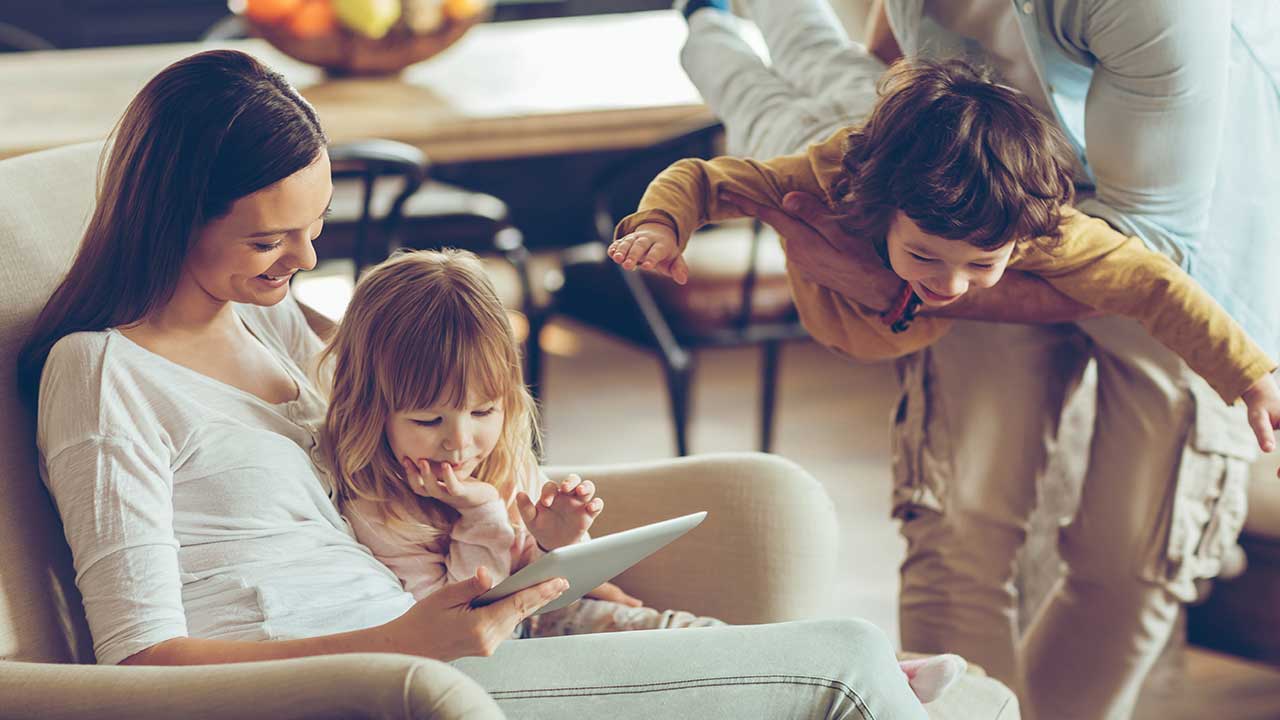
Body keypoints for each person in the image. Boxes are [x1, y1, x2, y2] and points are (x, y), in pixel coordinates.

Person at [16, 47, 935, 719]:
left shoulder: (274, 320)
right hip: (358, 691)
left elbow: (453, 411)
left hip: (454, 657)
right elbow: (138, 659)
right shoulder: (102, 375)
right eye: (268, 240)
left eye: (315, 224)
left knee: (865, 667)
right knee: (850, 663)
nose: (305, 258)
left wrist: (543, 550)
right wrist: (402, 646)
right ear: (174, 217)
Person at [657, 1, 1280, 717]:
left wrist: (895, 288)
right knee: (957, 525)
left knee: (1135, 554)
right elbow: (899, 43)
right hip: (963, 202)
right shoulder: (866, 177)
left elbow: (1148, 258)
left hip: (1168, 238)